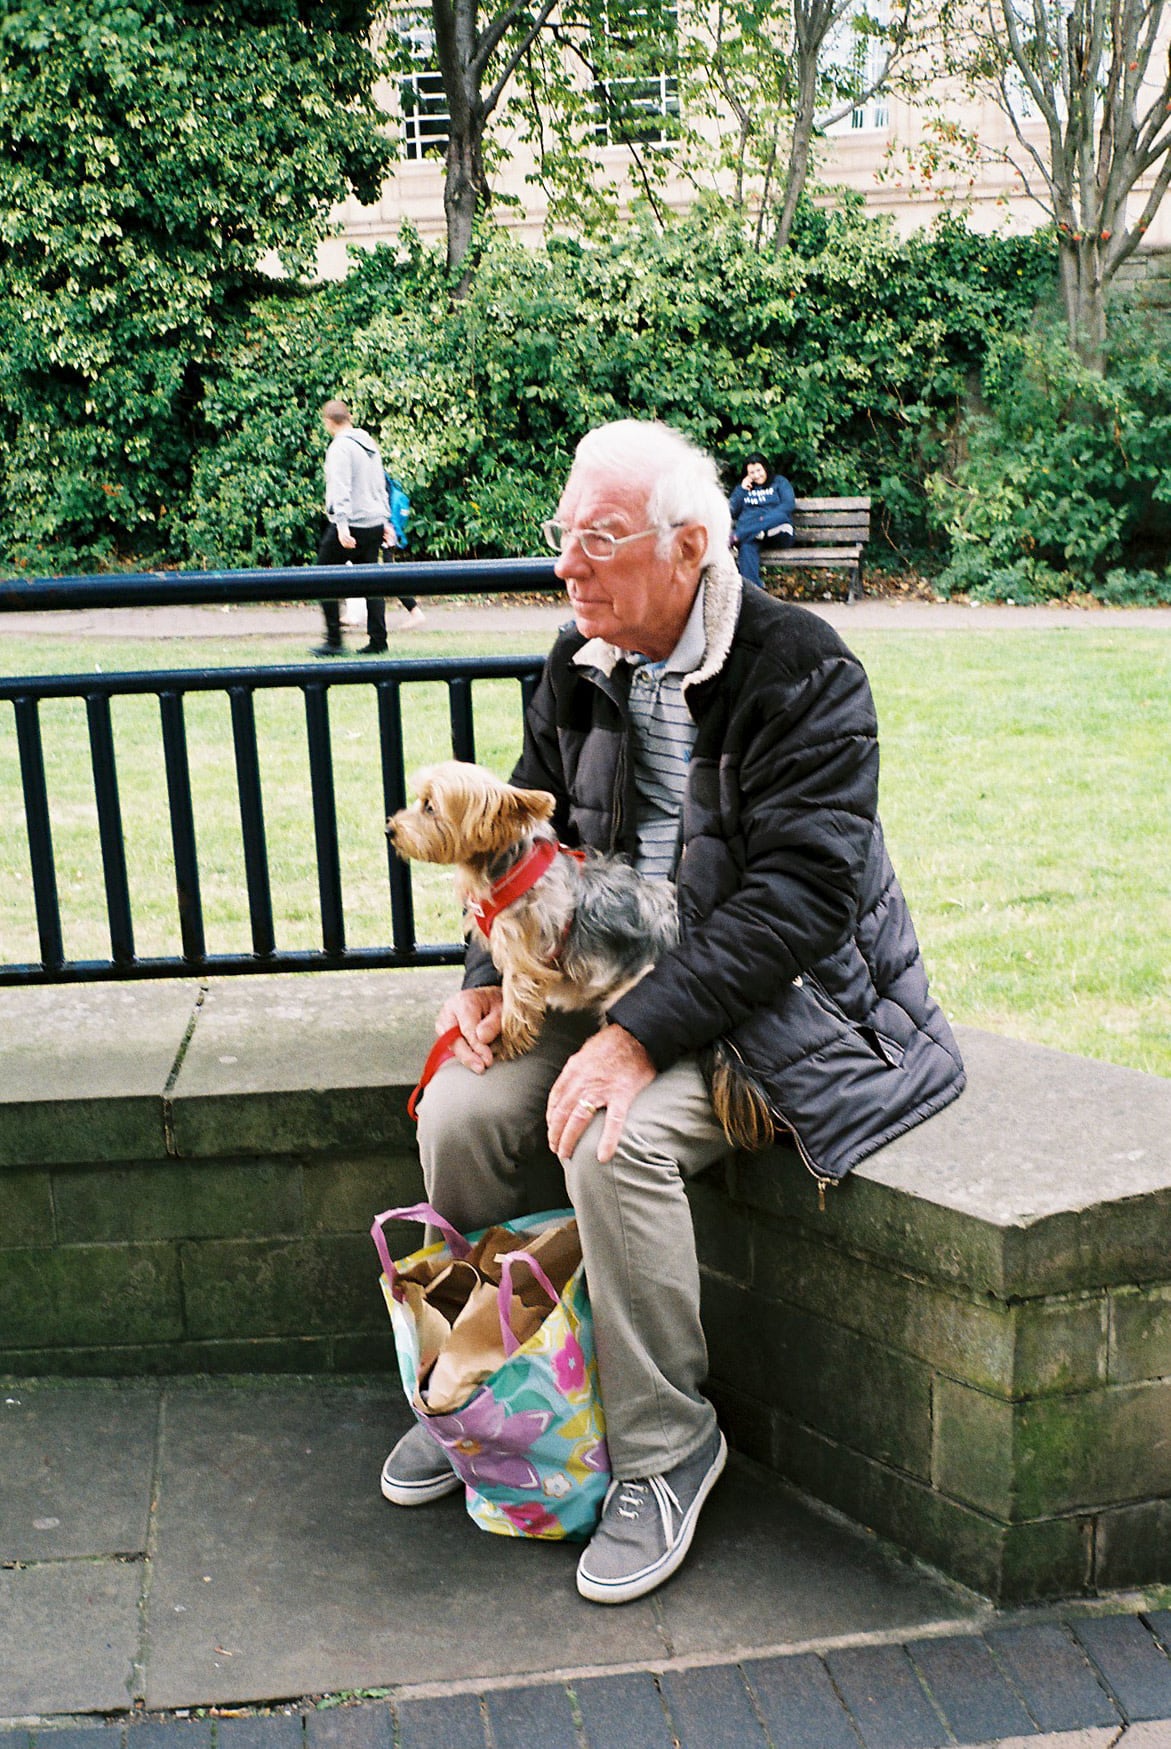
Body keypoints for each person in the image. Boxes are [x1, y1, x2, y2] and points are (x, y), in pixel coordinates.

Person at [381, 419, 965, 1606]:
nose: (566, 566)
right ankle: (499, 1380)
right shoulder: (575, 662)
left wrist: (638, 1038)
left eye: (595, 540)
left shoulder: (803, 668)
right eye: (563, 536)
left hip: (777, 1007)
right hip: (602, 982)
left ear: (690, 546)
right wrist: (485, 987)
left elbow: (799, 901)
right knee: (457, 1112)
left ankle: (663, 1447)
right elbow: (513, 854)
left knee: (613, 1139)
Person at [312, 400, 423, 656]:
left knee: (320, 579)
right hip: (374, 522)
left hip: (352, 523)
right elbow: (380, 484)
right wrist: (385, 521)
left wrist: (341, 525)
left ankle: (334, 641)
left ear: (329, 422)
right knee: (372, 584)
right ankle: (378, 640)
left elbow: (340, 487)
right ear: (349, 417)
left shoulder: (340, 447)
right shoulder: (369, 443)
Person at [729, 451, 795, 588]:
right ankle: (754, 592)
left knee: (781, 517)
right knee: (746, 548)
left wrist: (761, 522)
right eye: (752, 473)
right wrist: (741, 490)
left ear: (765, 467)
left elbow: (788, 506)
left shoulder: (779, 482)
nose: (757, 475)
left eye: (759, 470)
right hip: (753, 537)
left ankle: (739, 536)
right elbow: (731, 511)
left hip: (777, 532)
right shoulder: (745, 488)